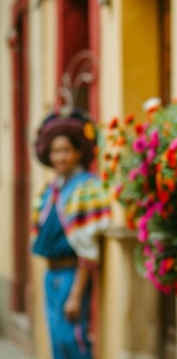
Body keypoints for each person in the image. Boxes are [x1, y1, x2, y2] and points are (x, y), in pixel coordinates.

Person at [32, 109, 110, 359]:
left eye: (66, 150)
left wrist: (76, 294)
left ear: (78, 152)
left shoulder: (87, 187)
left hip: (72, 274)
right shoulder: (51, 189)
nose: (60, 157)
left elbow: (88, 244)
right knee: (57, 340)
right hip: (51, 274)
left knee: (72, 339)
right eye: (55, 151)